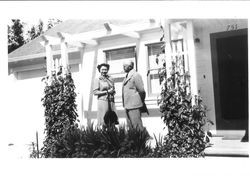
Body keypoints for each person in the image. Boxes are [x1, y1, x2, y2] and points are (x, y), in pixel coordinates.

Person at [122, 60, 148, 130]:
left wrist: (139, 102)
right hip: (127, 105)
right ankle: (133, 140)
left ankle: (141, 140)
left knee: (137, 126)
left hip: (134, 105)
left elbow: (142, 91)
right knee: (130, 127)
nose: (123, 68)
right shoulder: (127, 76)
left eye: (124, 66)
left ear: (130, 66)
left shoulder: (136, 75)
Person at [93, 63, 117, 127]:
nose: (104, 71)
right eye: (102, 69)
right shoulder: (97, 79)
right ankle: (103, 135)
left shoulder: (110, 79)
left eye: (106, 69)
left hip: (111, 101)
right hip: (103, 101)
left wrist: (113, 91)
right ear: (99, 70)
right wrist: (107, 92)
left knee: (112, 119)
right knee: (104, 120)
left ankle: (112, 135)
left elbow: (113, 89)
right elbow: (95, 92)